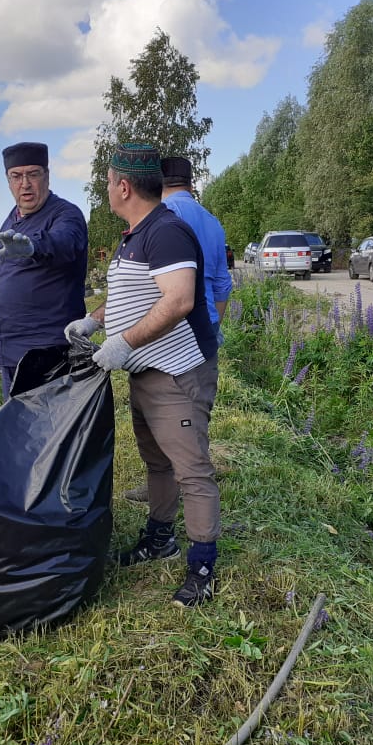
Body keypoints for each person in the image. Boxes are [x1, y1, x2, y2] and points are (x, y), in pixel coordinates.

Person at [64, 143, 221, 608]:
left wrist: (123, 342)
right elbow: (130, 295)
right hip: (145, 370)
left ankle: (203, 565)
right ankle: (159, 537)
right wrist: (94, 321)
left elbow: (178, 301)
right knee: (156, 462)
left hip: (177, 371)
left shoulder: (166, 232)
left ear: (124, 186)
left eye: (108, 181)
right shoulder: (134, 234)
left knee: (192, 469)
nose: (107, 189)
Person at [122, 156, 233, 503]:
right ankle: (189, 484)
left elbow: (154, 291)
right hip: (205, 334)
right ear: (190, 181)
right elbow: (223, 285)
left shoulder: (159, 220)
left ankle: (175, 489)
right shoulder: (211, 221)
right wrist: (211, 327)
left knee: (165, 422)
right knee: (195, 415)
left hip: (170, 336)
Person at [0, 142, 88, 398]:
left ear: (47, 176)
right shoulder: (13, 218)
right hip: (11, 349)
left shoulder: (65, 215)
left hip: (48, 353)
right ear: (8, 181)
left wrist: (34, 247)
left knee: (50, 433)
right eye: (16, 176)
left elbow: (64, 243)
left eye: (33, 174)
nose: (25, 184)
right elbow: (3, 280)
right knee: (19, 432)